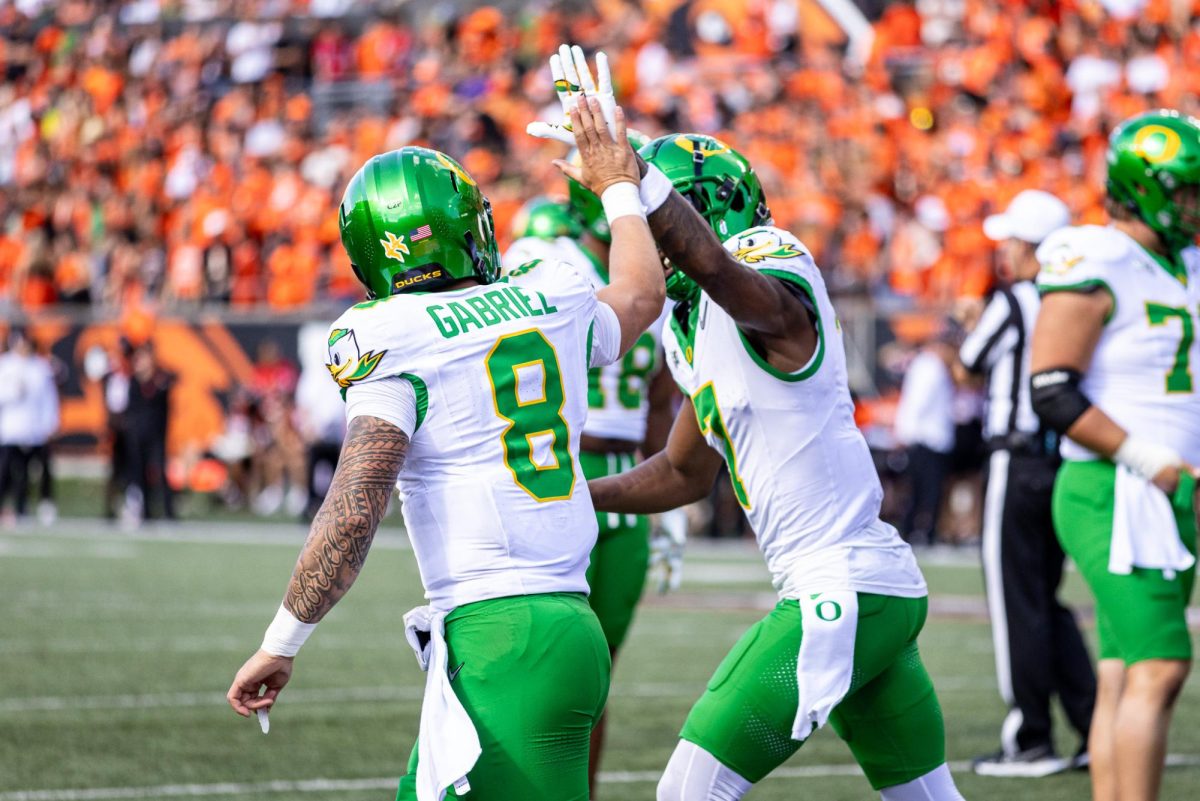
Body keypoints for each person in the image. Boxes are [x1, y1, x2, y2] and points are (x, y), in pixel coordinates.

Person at [227, 81, 666, 801]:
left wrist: (282, 640)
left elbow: (353, 509)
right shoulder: (548, 293)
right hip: (561, 624)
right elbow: (642, 296)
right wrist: (619, 185)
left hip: (505, 637)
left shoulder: (389, 335)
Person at [533, 70, 963, 795]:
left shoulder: (769, 262)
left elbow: (724, 272)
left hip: (842, 584)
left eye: (645, 218)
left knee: (687, 791)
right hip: (859, 586)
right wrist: (573, 494)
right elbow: (682, 472)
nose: (635, 238)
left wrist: (639, 181)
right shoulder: (694, 324)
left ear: (691, 212)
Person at [1029, 109, 1200, 801]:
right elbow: (1051, 390)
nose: (1194, 203)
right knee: (1160, 667)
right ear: (1146, 187)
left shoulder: (1181, 261)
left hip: (1162, 492)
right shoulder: (1095, 256)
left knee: (1124, 671)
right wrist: (1149, 459)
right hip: (1115, 488)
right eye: (1186, 190)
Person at [503, 173, 678, 794]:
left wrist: (671, 496)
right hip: (562, 468)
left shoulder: (655, 273)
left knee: (595, 674)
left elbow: (662, 391)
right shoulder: (545, 259)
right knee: (538, 668)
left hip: (627, 485)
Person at [962, 189, 1096, 776]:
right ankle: (1096, 727)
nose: (1007, 253)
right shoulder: (1081, 297)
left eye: (1013, 242)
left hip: (1015, 464)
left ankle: (1031, 737)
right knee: (1048, 599)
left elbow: (971, 357)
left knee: (1017, 602)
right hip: (1063, 460)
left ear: (1030, 246)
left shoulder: (1016, 298)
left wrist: (970, 320)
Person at [894, 332, 957, 545]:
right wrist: (905, 432)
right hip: (926, 439)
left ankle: (915, 531)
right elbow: (917, 403)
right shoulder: (931, 368)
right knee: (925, 492)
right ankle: (918, 532)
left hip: (927, 438)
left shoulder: (929, 366)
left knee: (922, 491)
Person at [0, 328, 55, 522]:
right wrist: (12, 393)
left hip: (34, 429)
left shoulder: (40, 366)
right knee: (4, 471)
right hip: (10, 430)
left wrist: (50, 423)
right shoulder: (4, 365)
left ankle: (27, 507)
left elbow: (49, 398)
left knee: (30, 472)